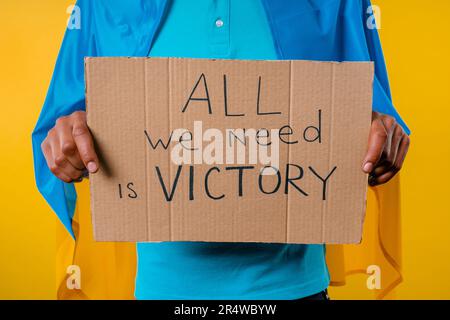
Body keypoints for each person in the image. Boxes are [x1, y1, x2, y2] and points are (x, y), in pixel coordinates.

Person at [32, 0, 410, 300]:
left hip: (297, 289)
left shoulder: (336, 2)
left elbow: (372, 109)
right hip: (163, 291)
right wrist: (65, 142)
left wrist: (384, 137)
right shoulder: (105, 5)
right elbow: (63, 121)